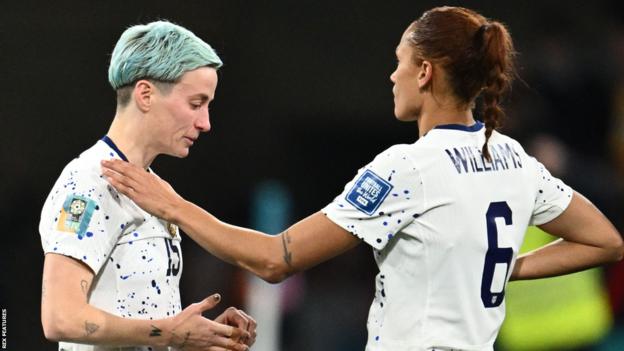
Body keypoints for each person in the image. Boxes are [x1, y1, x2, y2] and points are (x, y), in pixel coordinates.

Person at [101, 7, 624, 351]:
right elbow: (605, 241)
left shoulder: (408, 167)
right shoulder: (513, 158)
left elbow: (275, 259)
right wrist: (501, 266)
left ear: (424, 73)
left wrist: (171, 204)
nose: (390, 75)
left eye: (398, 62)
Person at [39, 21, 256, 351]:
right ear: (145, 94)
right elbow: (60, 317)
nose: (206, 123)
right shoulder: (87, 183)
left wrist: (200, 336)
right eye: (196, 103)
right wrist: (170, 333)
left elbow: (138, 318)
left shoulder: (157, 191)